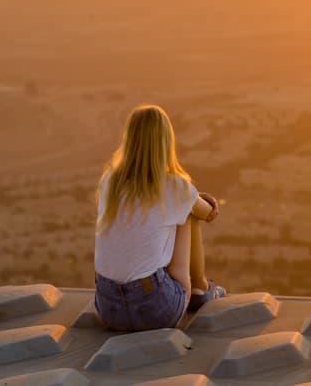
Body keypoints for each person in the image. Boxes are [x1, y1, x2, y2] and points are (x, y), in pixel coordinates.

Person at [93, 104, 226, 330]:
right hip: (156, 309)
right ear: (165, 142)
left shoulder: (110, 182)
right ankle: (200, 289)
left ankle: (198, 289)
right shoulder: (175, 187)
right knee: (187, 214)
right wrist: (195, 199)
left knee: (177, 210)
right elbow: (207, 213)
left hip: (108, 308)